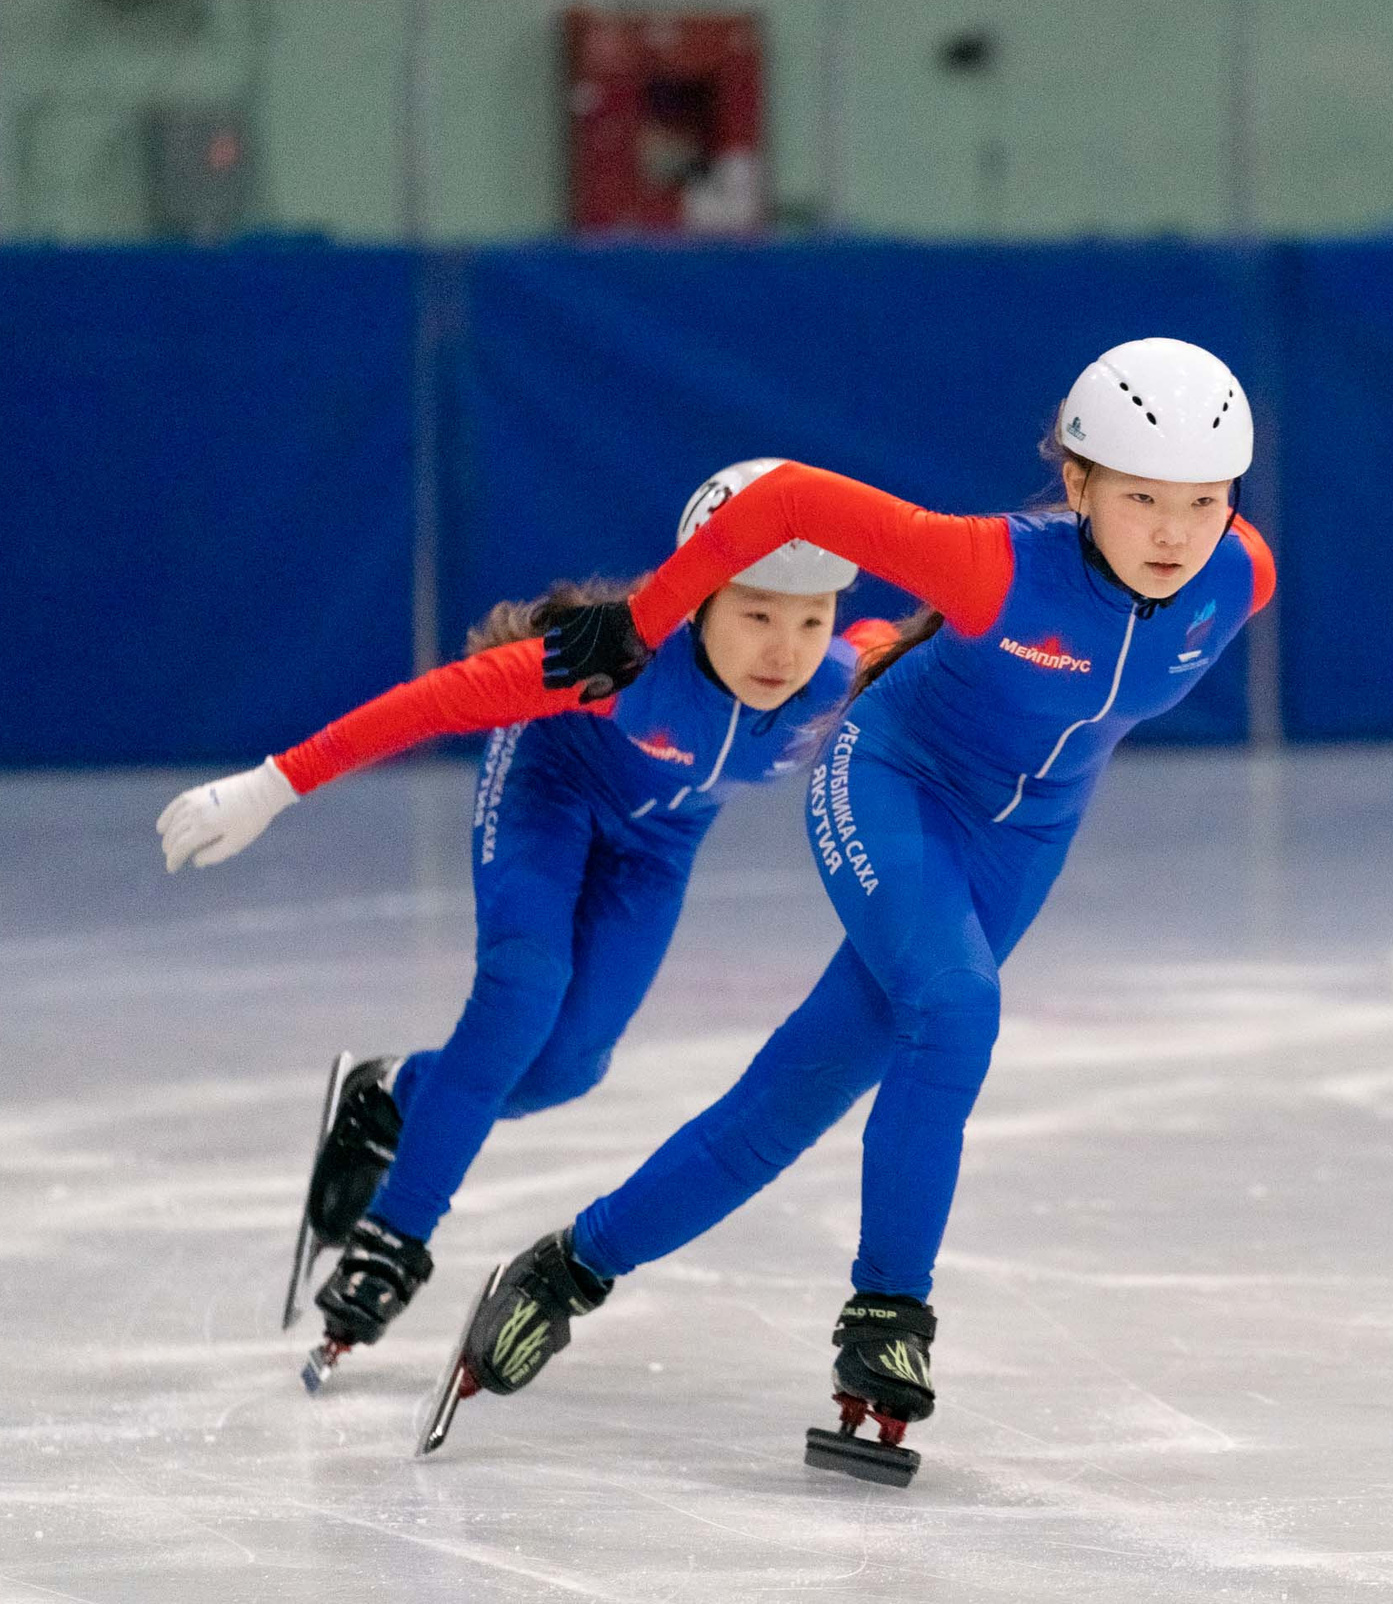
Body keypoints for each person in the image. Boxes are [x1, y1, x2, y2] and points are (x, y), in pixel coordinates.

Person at [426, 339, 1275, 1474]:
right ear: (1076, 485)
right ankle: (889, 1322)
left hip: (1018, 840)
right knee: (959, 1008)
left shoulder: (1240, 574)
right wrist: (646, 621)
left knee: (795, 1096)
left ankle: (567, 1267)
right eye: (1140, 499)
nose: (1176, 534)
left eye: (1203, 501)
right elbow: (783, 499)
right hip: (890, 782)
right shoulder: (989, 567)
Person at [153, 460, 881, 1384]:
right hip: (551, 788)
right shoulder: (618, 663)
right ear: (696, 596)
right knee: (521, 990)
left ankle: (390, 1097)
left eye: (810, 620)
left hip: (656, 847)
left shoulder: (845, 678)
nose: (786, 649)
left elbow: (930, 643)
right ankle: (395, 1235)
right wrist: (273, 782)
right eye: (757, 614)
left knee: (566, 1068)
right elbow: (432, 704)